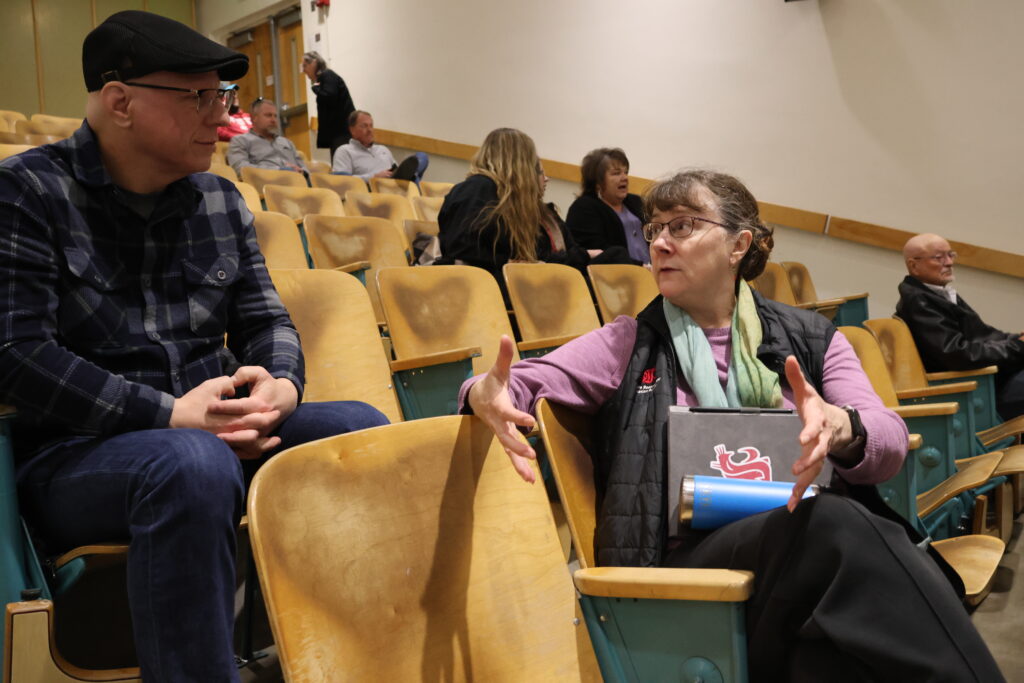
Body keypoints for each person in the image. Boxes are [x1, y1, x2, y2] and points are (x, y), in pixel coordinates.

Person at [463, 170, 1003, 681]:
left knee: (832, 652)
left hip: (793, 562)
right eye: (654, 229)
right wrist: (482, 391)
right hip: (689, 568)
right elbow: (517, 384)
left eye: (683, 225)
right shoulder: (628, 342)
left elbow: (886, 444)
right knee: (834, 526)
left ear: (738, 245)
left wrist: (841, 427)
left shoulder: (812, 339)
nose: (659, 243)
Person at [0, 10, 388, 682]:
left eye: (225, 97)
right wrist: (169, 414)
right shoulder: (27, 192)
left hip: (211, 429)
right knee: (192, 462)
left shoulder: (221, 201)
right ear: (119, 101)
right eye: (200, 97)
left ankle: (324, 662)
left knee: (359, 431)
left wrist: (281, 386)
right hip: (78, 454)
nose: (222, 116)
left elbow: (268, 321)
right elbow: (17, 353)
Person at [437, 128, 631, 298]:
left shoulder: (514, 201)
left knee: (613, 262)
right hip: (480, 289)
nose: (541, 175)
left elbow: (537, 256)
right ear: (519, 162)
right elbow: (467, 252)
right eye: (535, 166)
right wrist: (519, 263)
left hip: (512, 284)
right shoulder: (478, 188)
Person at [896, 233, 1024, 419]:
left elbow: (983, 334)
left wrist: (1015, 340)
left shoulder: (934, 293)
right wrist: (1018, 347)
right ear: (914, 265)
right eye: (939, 257)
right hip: (970, 388)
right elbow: (958, 354)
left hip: (987, 378)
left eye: (951, 255)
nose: (948, 262)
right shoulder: (919, 302)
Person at [565, 147, 649, 265]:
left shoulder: (635, 202)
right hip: (614, 277)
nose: (625, 178)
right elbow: (601, 254)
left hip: (650, 272)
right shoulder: (583, 209)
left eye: (626, 172)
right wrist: (641, 267)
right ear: (598, 182)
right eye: (616, 173)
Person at [331, 110, 426, 182]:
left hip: (394, 184)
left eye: (371, 126)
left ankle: (412, 177)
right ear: (352, 130)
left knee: (422, 157)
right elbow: (342, 181)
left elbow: (397, 170)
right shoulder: (344, 151)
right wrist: (373, 177)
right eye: (364, 126)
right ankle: (413, 179)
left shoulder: (383, 149)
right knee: (414, 180)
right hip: (372, 194)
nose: (369, 130)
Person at [226, 97, 307, 175]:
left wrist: (303, 173)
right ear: (254, 118)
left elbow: (304, 167)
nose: (273, 120)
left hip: (298, 183)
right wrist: (280, 170)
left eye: (275, 116)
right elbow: (241, 169)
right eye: (268, 115)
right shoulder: (240, 141)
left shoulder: (287, 142)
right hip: (266, 184)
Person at [301, 50, 355, 161]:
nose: (303, 71)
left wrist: (315, 87)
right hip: (339, 132)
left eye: (305, 66)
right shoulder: (326, 77)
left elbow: (329, 97)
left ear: (314, 63)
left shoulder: (327, 75)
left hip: (341, 132)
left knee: (341, 169)